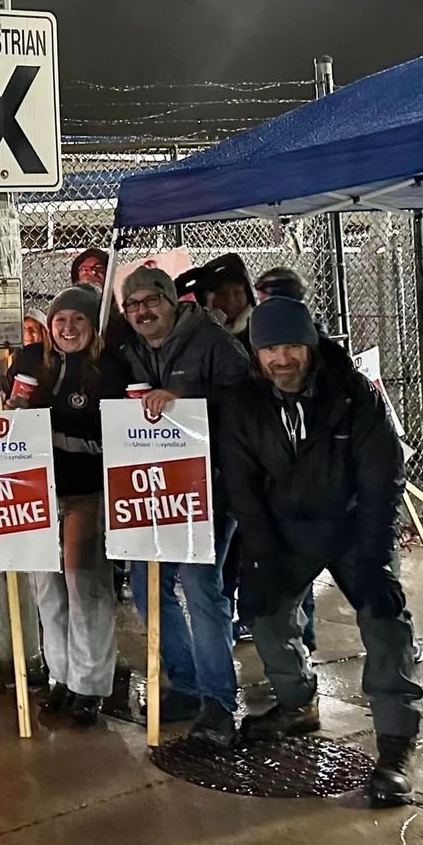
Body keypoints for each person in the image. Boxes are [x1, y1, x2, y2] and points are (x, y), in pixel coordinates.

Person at [221, 298, 422, 805]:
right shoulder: (244, 402)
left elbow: (383, 479)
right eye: (269, 349)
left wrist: (375, 555)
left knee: (384, 617)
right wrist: (263, 550)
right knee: (265, 610)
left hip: (353, 524)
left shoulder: (353, 393)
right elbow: (242, 482)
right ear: (256, 353)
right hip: (287, 525)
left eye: (292, 346)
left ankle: (395, 745)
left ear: (310, 345)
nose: (281, 359)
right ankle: (297, 703)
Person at [120, 264, 250, 749]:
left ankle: (218, 702)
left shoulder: (212, 342)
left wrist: (182, 401)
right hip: (155, 490)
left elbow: (246, 404)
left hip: (211, 488)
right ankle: (186, 683)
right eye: (133, 305)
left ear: (172, 302)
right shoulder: (131, 351)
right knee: (147, 586)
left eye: (151, 301)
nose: (142, 312)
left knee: (200, 587)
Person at [4, 284, 129, 724]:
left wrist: (54, 435)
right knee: (48, 587)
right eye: (60, 320)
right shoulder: (33, 362)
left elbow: (114, 432)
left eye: (78, 319)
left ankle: (89, 685)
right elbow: (11, 416)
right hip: (38, 492)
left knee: (83, 583)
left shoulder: (108, 369)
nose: (69, 328)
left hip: (86, 491)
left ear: (93, 325)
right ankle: (60, 675)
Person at [71, 245, 133, 349]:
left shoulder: (121, 305)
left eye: (99, 268)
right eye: (84, 270)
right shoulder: (69, 304)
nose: (92, 273)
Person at [200, 253, 256, 350]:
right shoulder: (199, 332)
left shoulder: (259, 329)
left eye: (237, 292)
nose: (230, 301)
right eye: (221, 294)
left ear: (248, 294)